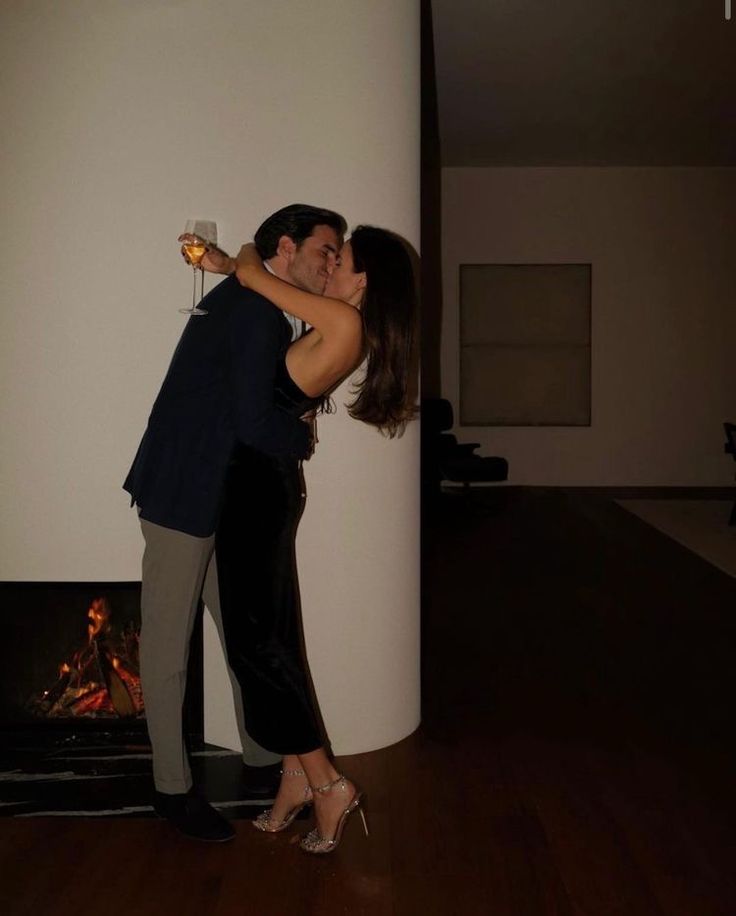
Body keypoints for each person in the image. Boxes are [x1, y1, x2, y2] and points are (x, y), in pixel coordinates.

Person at [122, 203, 347, 842]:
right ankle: (171, 789)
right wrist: (300, 436)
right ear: (287, 245)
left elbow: (244, 414)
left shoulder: (253, 303)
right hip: (184, 490)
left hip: (217, 492)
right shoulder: (255, 313)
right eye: (325, 250)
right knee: (169, 642)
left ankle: (261, 758)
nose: (331, 263)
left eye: (338, 255)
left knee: (242, 629)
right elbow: (255, 424)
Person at [203, 226, 416, 853]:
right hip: (261, 488)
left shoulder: (343, 325)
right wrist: (227, 268)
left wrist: (236, 255)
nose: (329, 267)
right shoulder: (340, 321)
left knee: (256, 645)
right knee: (271, 638)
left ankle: (327, 784)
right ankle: (296, 774)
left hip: (257, 493)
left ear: (364, 279)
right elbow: (263, 292)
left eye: (339, 259)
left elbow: (254, 274)